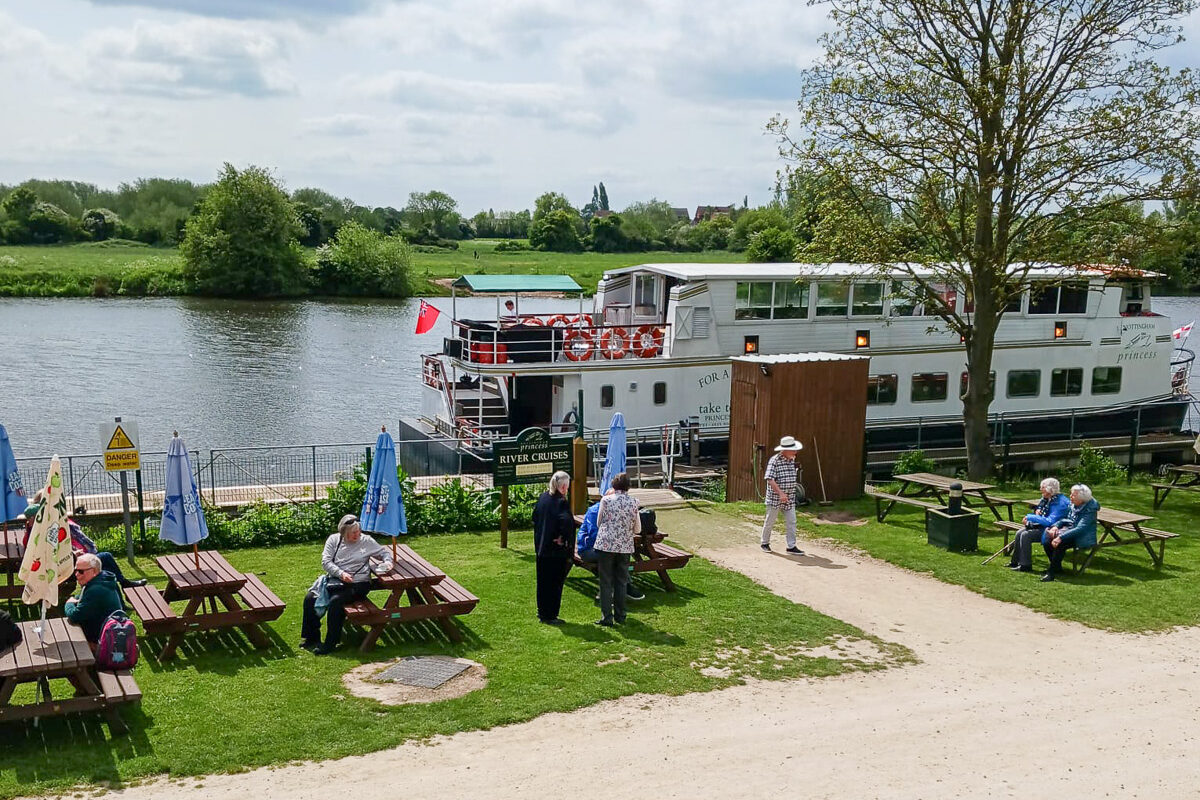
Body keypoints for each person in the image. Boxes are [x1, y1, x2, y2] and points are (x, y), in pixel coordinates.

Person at [300, 514, 393, 654]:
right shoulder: (333, 540)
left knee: (335, 603)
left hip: (359, 584)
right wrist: (341, 574)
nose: (357, 535)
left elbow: (383, 553)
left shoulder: (366, 541)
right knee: (310, 599)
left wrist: (387, 562)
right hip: (336, 581)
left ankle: (330, 643)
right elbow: (326, 562)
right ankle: (311, 638)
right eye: (352, 533)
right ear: (343, 532)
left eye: (358, 531)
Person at [22, 498, 146, 589]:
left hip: (62, 563)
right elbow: (51, 553)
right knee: (106, 558)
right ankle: (124, 584)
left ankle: (121, 588)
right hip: (64, 567)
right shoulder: (40, 534)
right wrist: (74, 554)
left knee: (104, 571)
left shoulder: (33, 533)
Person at [576, 492, 645, 601]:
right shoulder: (595, 511)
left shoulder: (615, 511)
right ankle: (625, 586)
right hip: (588, 549)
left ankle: (610, 592)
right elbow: (596, 536)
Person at [593, 472, 640, 627]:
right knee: (621, 581)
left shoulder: (606, 500)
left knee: (605, 581)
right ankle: (621, 615)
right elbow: (638, 529)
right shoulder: (634, 502)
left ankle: (607, 617)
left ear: (613, 485)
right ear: (628, 487)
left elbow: (599, 522)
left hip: (606, 544)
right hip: (625, 546)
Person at [532, 471, 575, 625]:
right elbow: (567, 523)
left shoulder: (543, 497)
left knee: (542, 581)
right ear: (563, 487)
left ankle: (542, 611)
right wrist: (562, 538)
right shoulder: (561, 502)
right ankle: (551, 615)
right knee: (555, 583)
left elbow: (534, 517)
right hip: (555, 550)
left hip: (541, 546)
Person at [1008, 478, 1070, 572]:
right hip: (1045, 527)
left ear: (1050, 489)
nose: (1040, 489)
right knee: (1019, 532)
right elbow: (1041, 510)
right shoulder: (1047, 499)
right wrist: (1037, 511)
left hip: (1054, 530)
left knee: (1026, 535)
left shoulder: (1060, 502)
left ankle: (1026, 565)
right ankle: (1015, 562)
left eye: (1043, 487)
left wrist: (1030, 517)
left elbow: (1050, 521)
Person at [1040, 484, 1100, 582]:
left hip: (1081, 537)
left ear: (1082, 498)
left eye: (1073, 495)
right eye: (1071, 494)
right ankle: (1057, 568)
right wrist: (1055, 526)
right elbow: (1065, 519)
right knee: (1047, 540)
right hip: (1068, 531)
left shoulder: (1090, 509)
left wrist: (1060, 537)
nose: (1070, 497)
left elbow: (1081, 528)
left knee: (1060, 544)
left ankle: (1051, 573)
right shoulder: (1073, 504)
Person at [64, 553, 124, 645]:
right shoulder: (103, 580)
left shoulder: (95, 590)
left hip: (101, 641)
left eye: (81, 571)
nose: (77, 575)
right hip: (109, 634)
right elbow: (82, 596)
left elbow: (75, 616)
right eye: (75, 571)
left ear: (94, 571)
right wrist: (76, 599)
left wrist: (69, 603)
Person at [761, 435, 804, 554]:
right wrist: (780, 493)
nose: (795, 451)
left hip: (789, 497)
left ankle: (791, 546)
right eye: (793, 449)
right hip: (775, 497)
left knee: (792, 521)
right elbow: (770, 479)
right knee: (770, 520)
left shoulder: (791, 460)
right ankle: (765, 543)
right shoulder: (774, 460)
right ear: (784, 450)